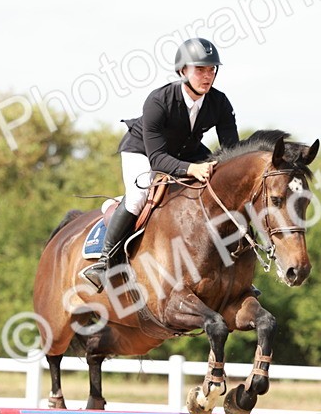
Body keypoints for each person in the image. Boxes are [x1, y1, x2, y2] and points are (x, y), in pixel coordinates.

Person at [80, 37, 240, 291]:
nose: (207, 75)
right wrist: (192, 169)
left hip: (187, 151)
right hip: (143, 151)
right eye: (200, 69)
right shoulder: (158, 101)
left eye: (211, 69)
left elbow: (232, 152)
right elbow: (158, 160)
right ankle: (105, 261)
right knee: (138, 195)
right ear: (182, 71)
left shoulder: (219, 103)